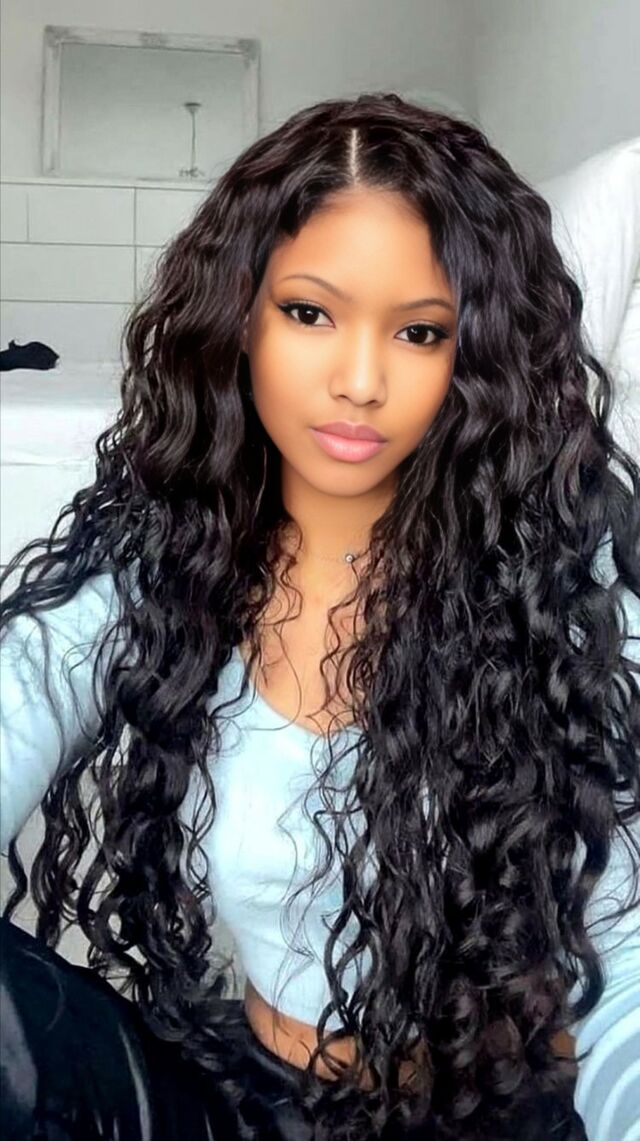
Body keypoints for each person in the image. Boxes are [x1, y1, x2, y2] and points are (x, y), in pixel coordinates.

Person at [1, 92, 639, 1141]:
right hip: (247, 1099)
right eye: (309, 313)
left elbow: (626, 963)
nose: (359, 381)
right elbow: (20, 690)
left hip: (500, 1112)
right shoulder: (166, 559)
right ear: (240, 317)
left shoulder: (571, 578)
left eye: (420, 332)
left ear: (475, 355)